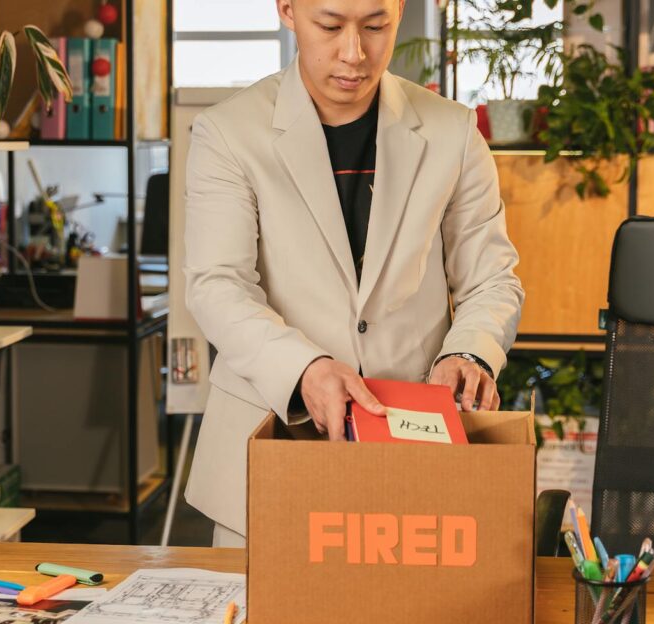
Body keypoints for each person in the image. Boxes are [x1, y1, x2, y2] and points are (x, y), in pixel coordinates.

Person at [183, 0, 525, 547]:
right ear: (288, 9)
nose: (353, 53)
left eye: (375, 26)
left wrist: (470, 352)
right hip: (272, 444)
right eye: (330, 25)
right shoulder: (228, 133)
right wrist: (306, 368)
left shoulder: (452, 132)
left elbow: (491, 278)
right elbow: (217, 285)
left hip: (413, 450)